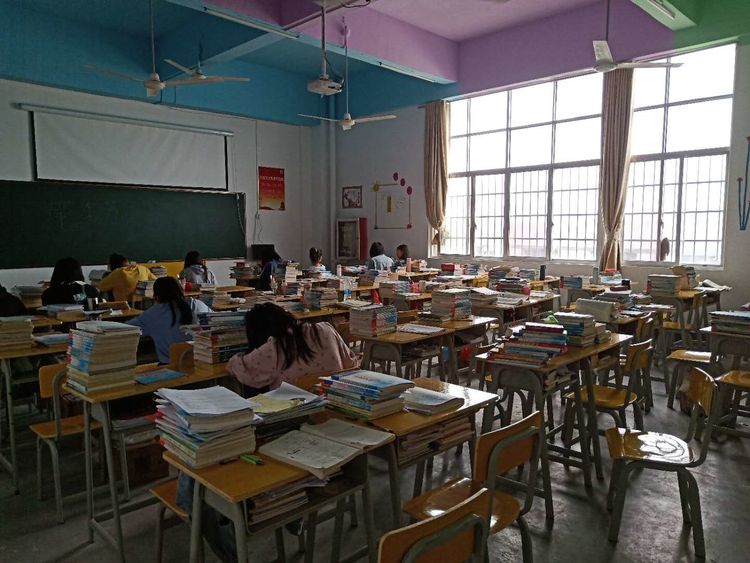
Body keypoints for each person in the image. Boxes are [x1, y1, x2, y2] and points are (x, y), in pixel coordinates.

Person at [228, 303, 358, 389]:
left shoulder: (275, 347)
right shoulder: (326, 329)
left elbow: (240, 368)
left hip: (294, 410)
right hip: (335, 401)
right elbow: (350, 362)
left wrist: (236, 356)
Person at [127, 277, 211, 364]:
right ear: (181, 290)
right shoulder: (197, 304)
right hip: (203, 362)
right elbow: (215, 320)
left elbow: (126, 329)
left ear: (156, 296)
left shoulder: (152, 314)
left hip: (171, 366)